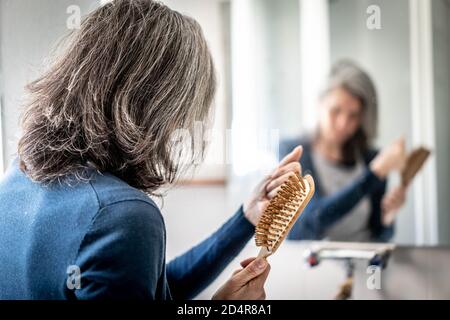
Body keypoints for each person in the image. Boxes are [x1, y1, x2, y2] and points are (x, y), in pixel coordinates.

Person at [0, 0, 303, 300]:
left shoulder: (17, 176)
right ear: (160, 104)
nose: (179, 128)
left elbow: (145, 286)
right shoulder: (121, 214)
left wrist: (245, 220)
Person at [280, 60, 407, 242]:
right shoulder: (294, 154)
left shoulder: (371, 158)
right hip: (313, 267)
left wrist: (389, 219)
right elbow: (313, 219)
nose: (343, 123)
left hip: (364, 265)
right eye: (336, 110)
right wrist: (374, 174)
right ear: (319, 104)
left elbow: (379, 235)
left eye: (353, 115)